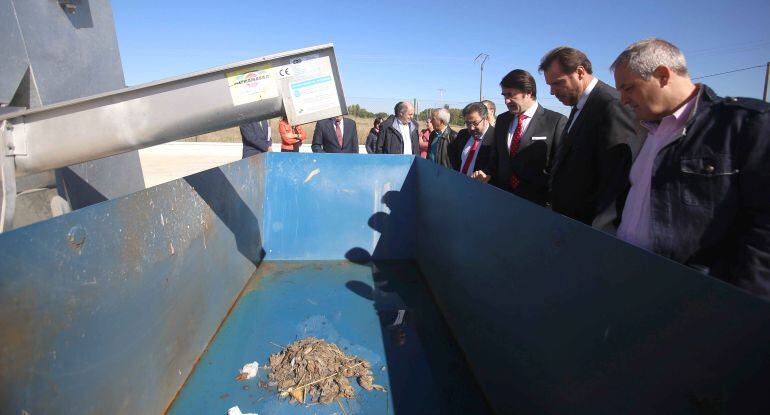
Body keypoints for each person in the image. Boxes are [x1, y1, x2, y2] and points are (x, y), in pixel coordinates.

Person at [609, 38, 770, 298]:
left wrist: (740, 306)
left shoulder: (747, 125)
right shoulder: (648, 129)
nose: (624, 100)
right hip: (634, 280)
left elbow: (764, 234)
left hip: (691, 296)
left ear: (662, 75)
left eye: (628, 88)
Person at [540, 46, 640, 227]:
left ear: (579, 72)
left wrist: (602, 229)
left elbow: (617, 179)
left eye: (557, 83)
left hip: (590, 228)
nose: (552, 92)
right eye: (549, 85)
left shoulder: (611, 105)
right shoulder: (580, 105)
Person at [480, 69, 567, 206]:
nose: (506, 101)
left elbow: (560, 169)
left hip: (536, 205)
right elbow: (496, 158)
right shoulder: (502, 120)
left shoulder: (555, 122)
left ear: (529, 93)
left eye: (511, 95)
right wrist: (488, 173)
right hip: (502, 199)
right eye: (504, 95)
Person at [448, 102, 495, 177]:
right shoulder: (463, 134)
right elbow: (451, 151)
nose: (471, 128)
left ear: (485, 119)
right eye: (468, 123)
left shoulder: (496, 138)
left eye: (475, 123)